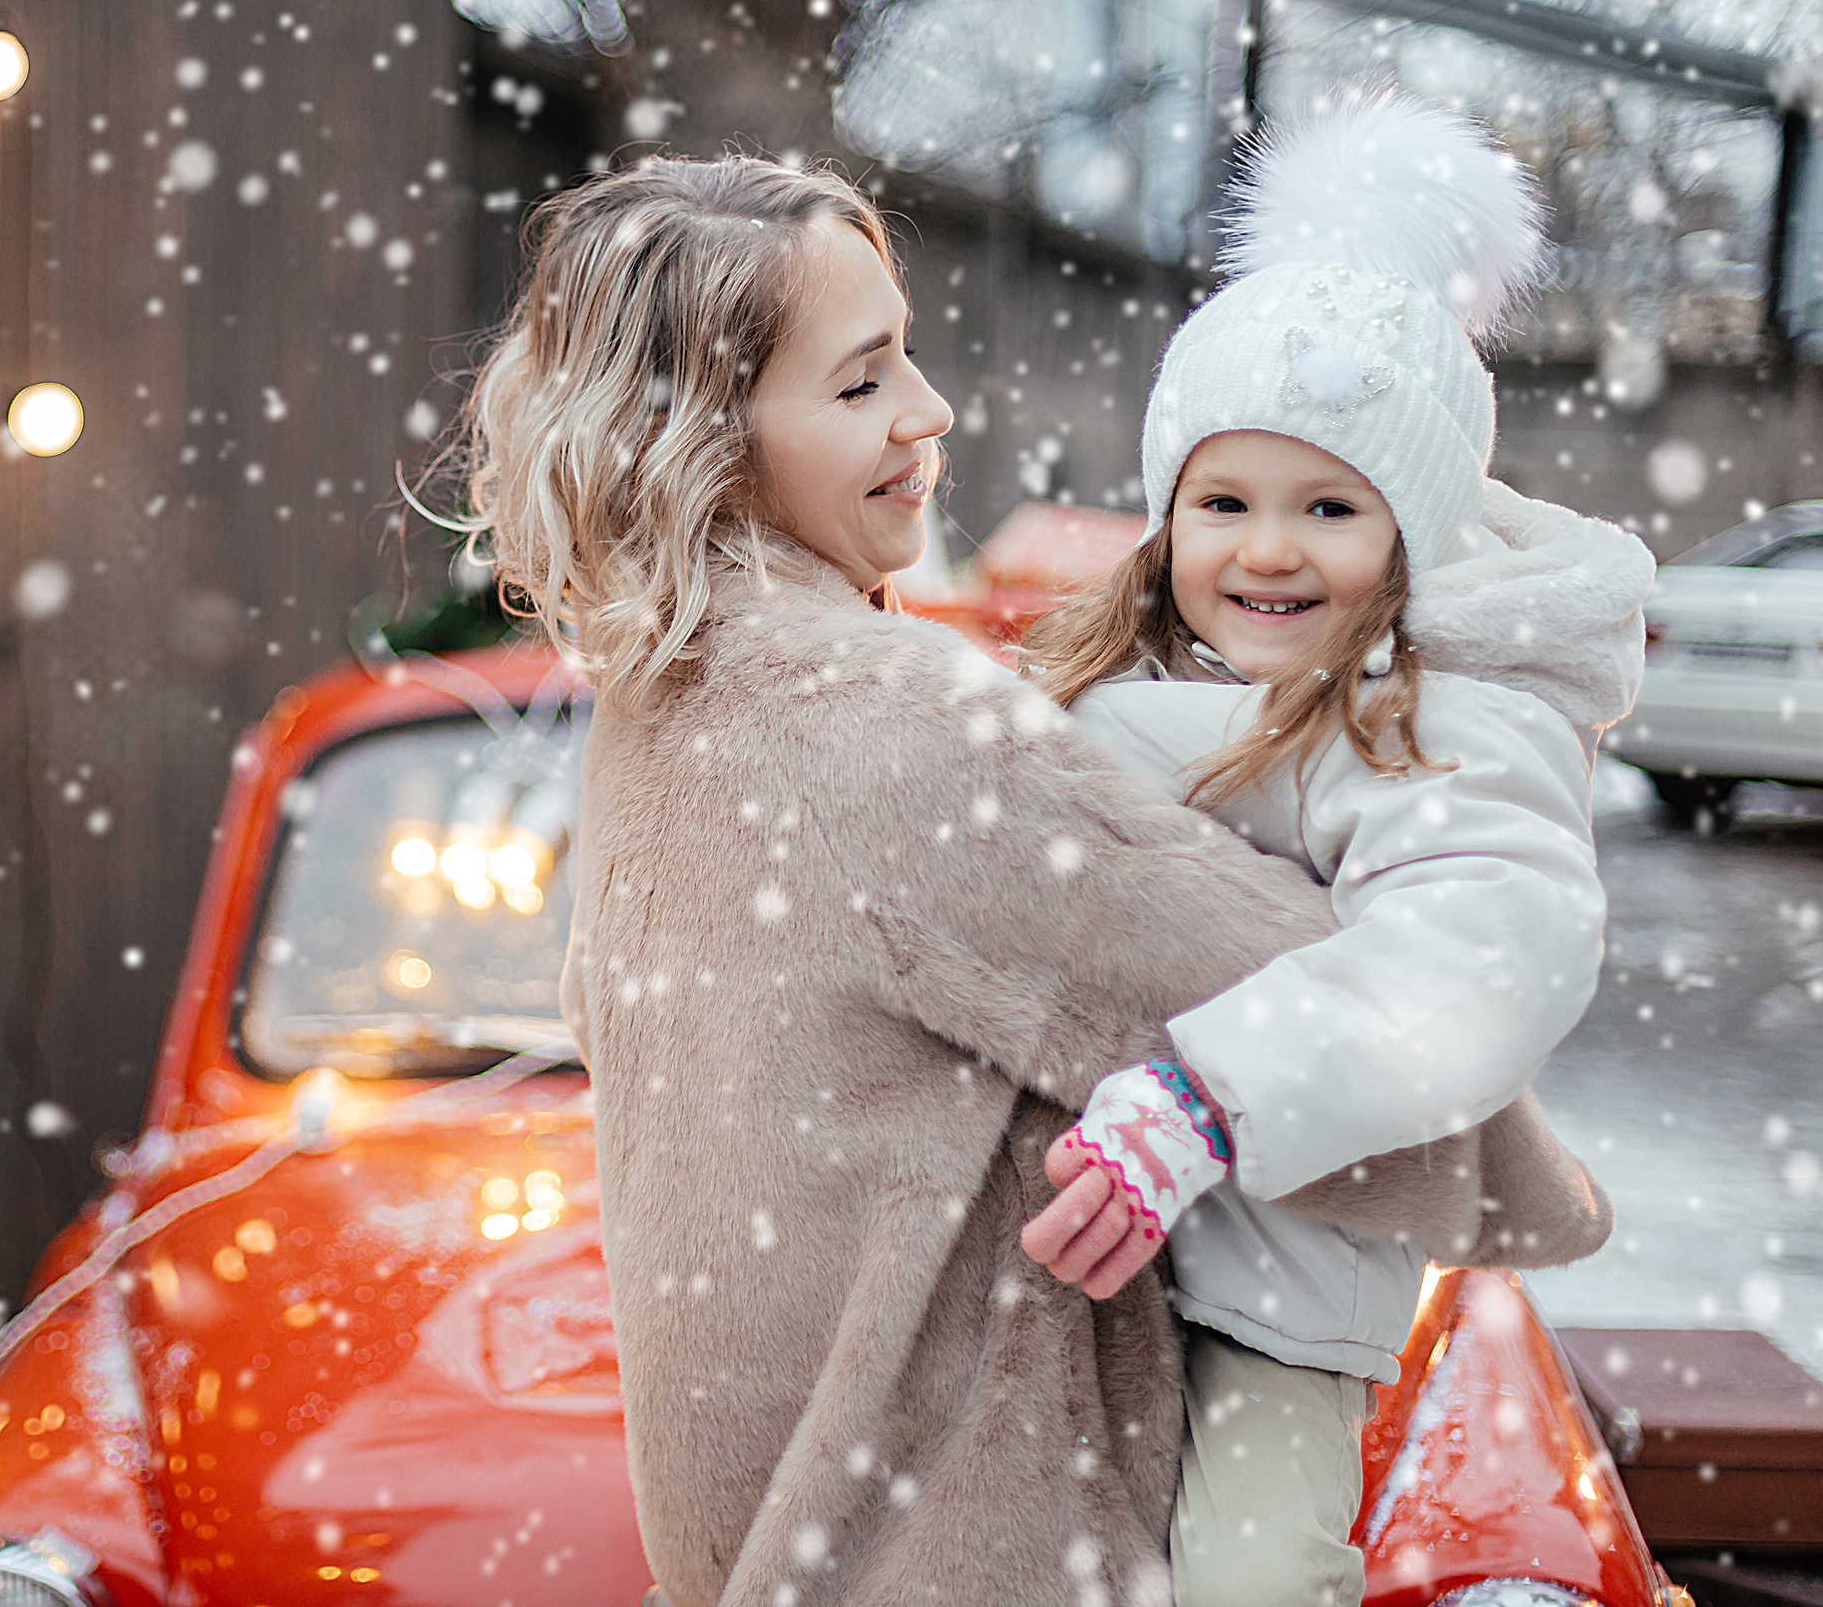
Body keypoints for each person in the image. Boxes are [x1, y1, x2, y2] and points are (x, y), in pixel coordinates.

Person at [454, 152, 1611, 1607]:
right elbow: (1261, 984)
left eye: (910, 355)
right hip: (964, 1539)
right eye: (863, 380)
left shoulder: (659, 699)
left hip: (781, 1538)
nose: (928, 411)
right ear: (708, 437)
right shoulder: (874, 721)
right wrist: (1516, 1171)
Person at [1017, 97, 1655, 1607]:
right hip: (1069, 1252)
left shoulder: (1432, 721)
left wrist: (1208, 1096)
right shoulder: (1133, 685)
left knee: (1243, 1574)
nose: (1269, 549)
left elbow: (1483, 950)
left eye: (1331, 507)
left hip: (1272, 1288)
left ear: (1415, 536)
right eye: (1224, 501)